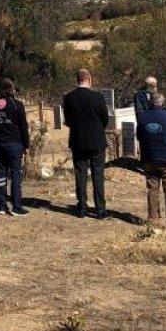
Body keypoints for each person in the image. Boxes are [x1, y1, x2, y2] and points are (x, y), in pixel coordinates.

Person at [62, 68, 110, 219]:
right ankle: (100, 209)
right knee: (98, 174)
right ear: (89, 79)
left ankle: (82, 207)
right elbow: (105, 119)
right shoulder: (98, 97)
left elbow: (68, 120)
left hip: (78, 140)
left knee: (80, 174)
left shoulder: (69, 98)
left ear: (78, 80)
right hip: (96, 140)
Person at [136, 91, 166, 227]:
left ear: (150, 103)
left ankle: (153, 220)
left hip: (150, 159)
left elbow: (139, 136)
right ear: (162, 102)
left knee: (152, 189)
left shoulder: (143, 117)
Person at [0, 78, 30, 216]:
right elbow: (24, 127)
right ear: (11, 89)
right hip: (15, 143)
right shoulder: (17, 105)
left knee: (1, 174)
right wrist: (26, 145)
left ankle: (1, 206)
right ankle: (16, 206)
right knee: (16, 175)